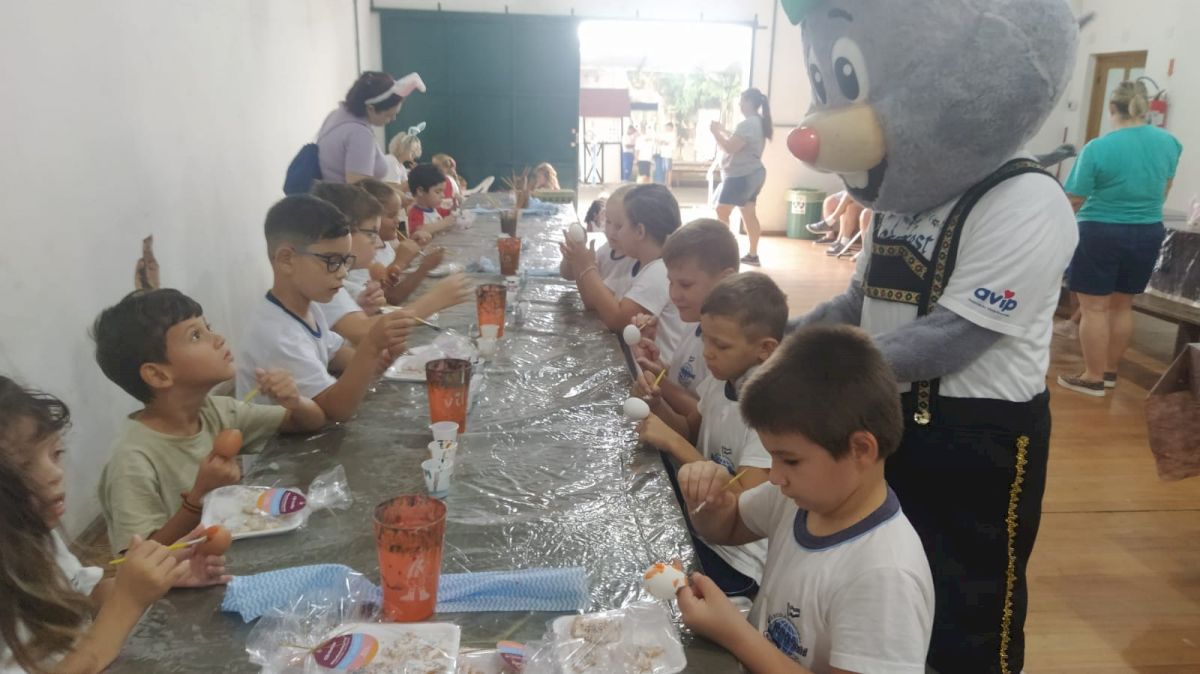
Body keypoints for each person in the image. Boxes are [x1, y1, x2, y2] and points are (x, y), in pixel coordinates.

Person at [779, 3, 1079, 670]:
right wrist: (784, 337)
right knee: (894, 580)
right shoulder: (899, 198)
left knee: (972, 595)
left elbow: (952, 337)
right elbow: (857, 301)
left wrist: (812, 375)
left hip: (980, 436)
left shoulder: (1024, 200)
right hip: (889, 420)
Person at [674, 326, 934, 672]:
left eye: (790, 460)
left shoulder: (884, 576)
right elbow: (729, 527)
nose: (775, 475)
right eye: (772, 457)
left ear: (860, 449)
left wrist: (734, 634)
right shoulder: (798, 498)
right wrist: (708, 502)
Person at [0, 377, 230, 673]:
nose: (55, 474)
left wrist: (158, 579)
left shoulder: (34, 533)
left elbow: (83, 595)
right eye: (23, 465)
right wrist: (127, 602)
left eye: (55, 454)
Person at [92, 289, 326, 550]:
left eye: (208, 328)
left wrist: (294, 401)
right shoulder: (131, 459)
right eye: (196, 335)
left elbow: (310, 421)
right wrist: (198, 498)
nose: (218, 339)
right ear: (158, 375)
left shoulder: (215, 411)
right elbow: (138, 559)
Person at [637, 272, 788, 597]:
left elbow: (744, 500)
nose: (707, 353)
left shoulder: (772, 411)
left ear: (764, 349)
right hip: (700, 525)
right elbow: (690, 428)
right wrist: (657, 403)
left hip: (737, 559)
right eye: (705, 339)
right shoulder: (722, 380)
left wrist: (672, 441)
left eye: (720, 345)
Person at [234, 195, 415, 422]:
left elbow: (338, 355)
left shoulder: (308, 307)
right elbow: (337, 410)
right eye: (331, 261)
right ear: (286, 260)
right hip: (277, 444)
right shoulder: (278, 337)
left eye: (345, 261)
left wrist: (381, 356)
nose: (343, 272)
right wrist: (371, 346)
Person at [1057, 81, 1183, 396]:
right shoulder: (1170, 143)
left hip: (1100, 231)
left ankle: (1093, 377)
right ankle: (1110, 372)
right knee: (1122, 306)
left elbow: (1075, 198)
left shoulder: (1098, 148)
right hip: (1149, 231)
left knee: (1095, 309)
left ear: (1112, 108)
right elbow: (1165, 188)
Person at [559, 184, 687, 361]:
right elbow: (595, 303)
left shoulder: (661, 272)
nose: (615, 233)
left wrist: (587, 267)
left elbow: (617, 320)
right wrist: (579, 261)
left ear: (640, 231)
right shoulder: (641, 265)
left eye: (621, 226)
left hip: (659, 374)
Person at [634, 218, 740, 405]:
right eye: (671, 282)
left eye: (685, 284)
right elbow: (686, 381)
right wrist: (657, 367)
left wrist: (661, 384)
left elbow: (703, 412)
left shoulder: (729, 346)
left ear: (725, 280)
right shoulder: (695, 321)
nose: (674, 294)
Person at [316, 72, 424, 185]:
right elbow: (359, 187)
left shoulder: (335, 116)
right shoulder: (359, 134)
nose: (393, 119)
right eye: (389, 115)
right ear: (371, 108)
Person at [711, 88, 772, 266]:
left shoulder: (748, 124)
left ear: (749, 102)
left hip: (741, 176)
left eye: (742, 101)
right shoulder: (757, 122)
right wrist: (722, 132)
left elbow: (730, 147)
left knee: (722, 211)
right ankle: (753, 255)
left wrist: (715, 132)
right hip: (752, 174)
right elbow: (736, 142)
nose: (739, 104)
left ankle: (724, 255)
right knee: (748, 214)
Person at [560, 186, 637, 292]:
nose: (611, 231)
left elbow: (596, 298)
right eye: (608, 222)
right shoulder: (606, 250)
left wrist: (585, 265)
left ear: (639, 230)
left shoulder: (633, 263)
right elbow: (568, 275)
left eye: (619, 226)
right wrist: (571, 257)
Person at [407, 164, 458, 241]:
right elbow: (419, 232)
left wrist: (454, 208)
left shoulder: (434, 209)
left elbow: (448, 214)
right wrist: (444, 223)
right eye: (438, 191)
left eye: (443, 191)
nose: (443, 195)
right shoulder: (415, 213)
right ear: (420, 191)